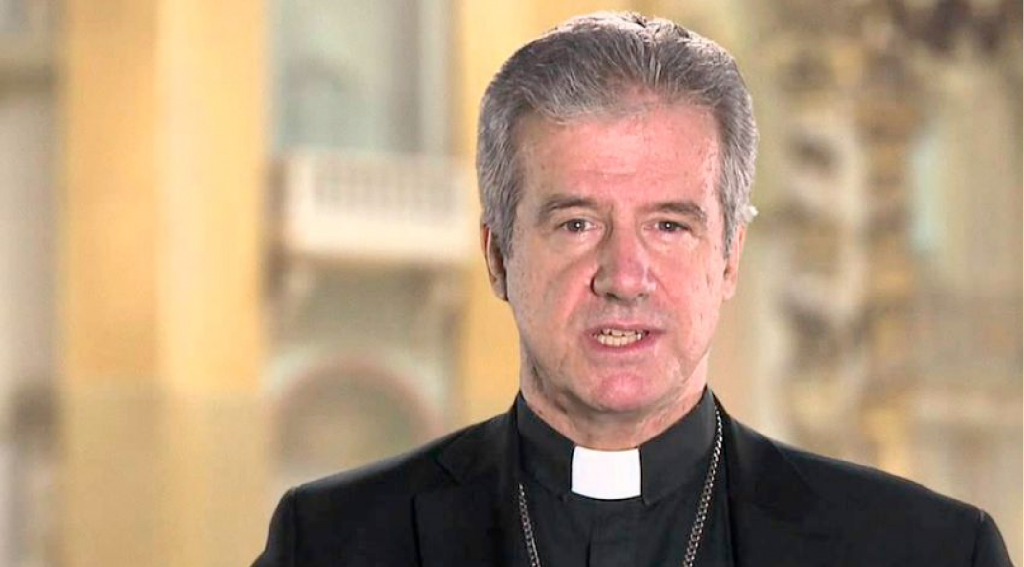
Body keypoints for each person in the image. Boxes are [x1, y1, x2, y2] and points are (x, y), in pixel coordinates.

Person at [252, 12, 1014, 567]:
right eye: (577, 223)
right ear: (497, 255)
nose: (623, 277)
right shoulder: (332, 542)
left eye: (670, 225)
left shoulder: (926, 551)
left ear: (730, 257)